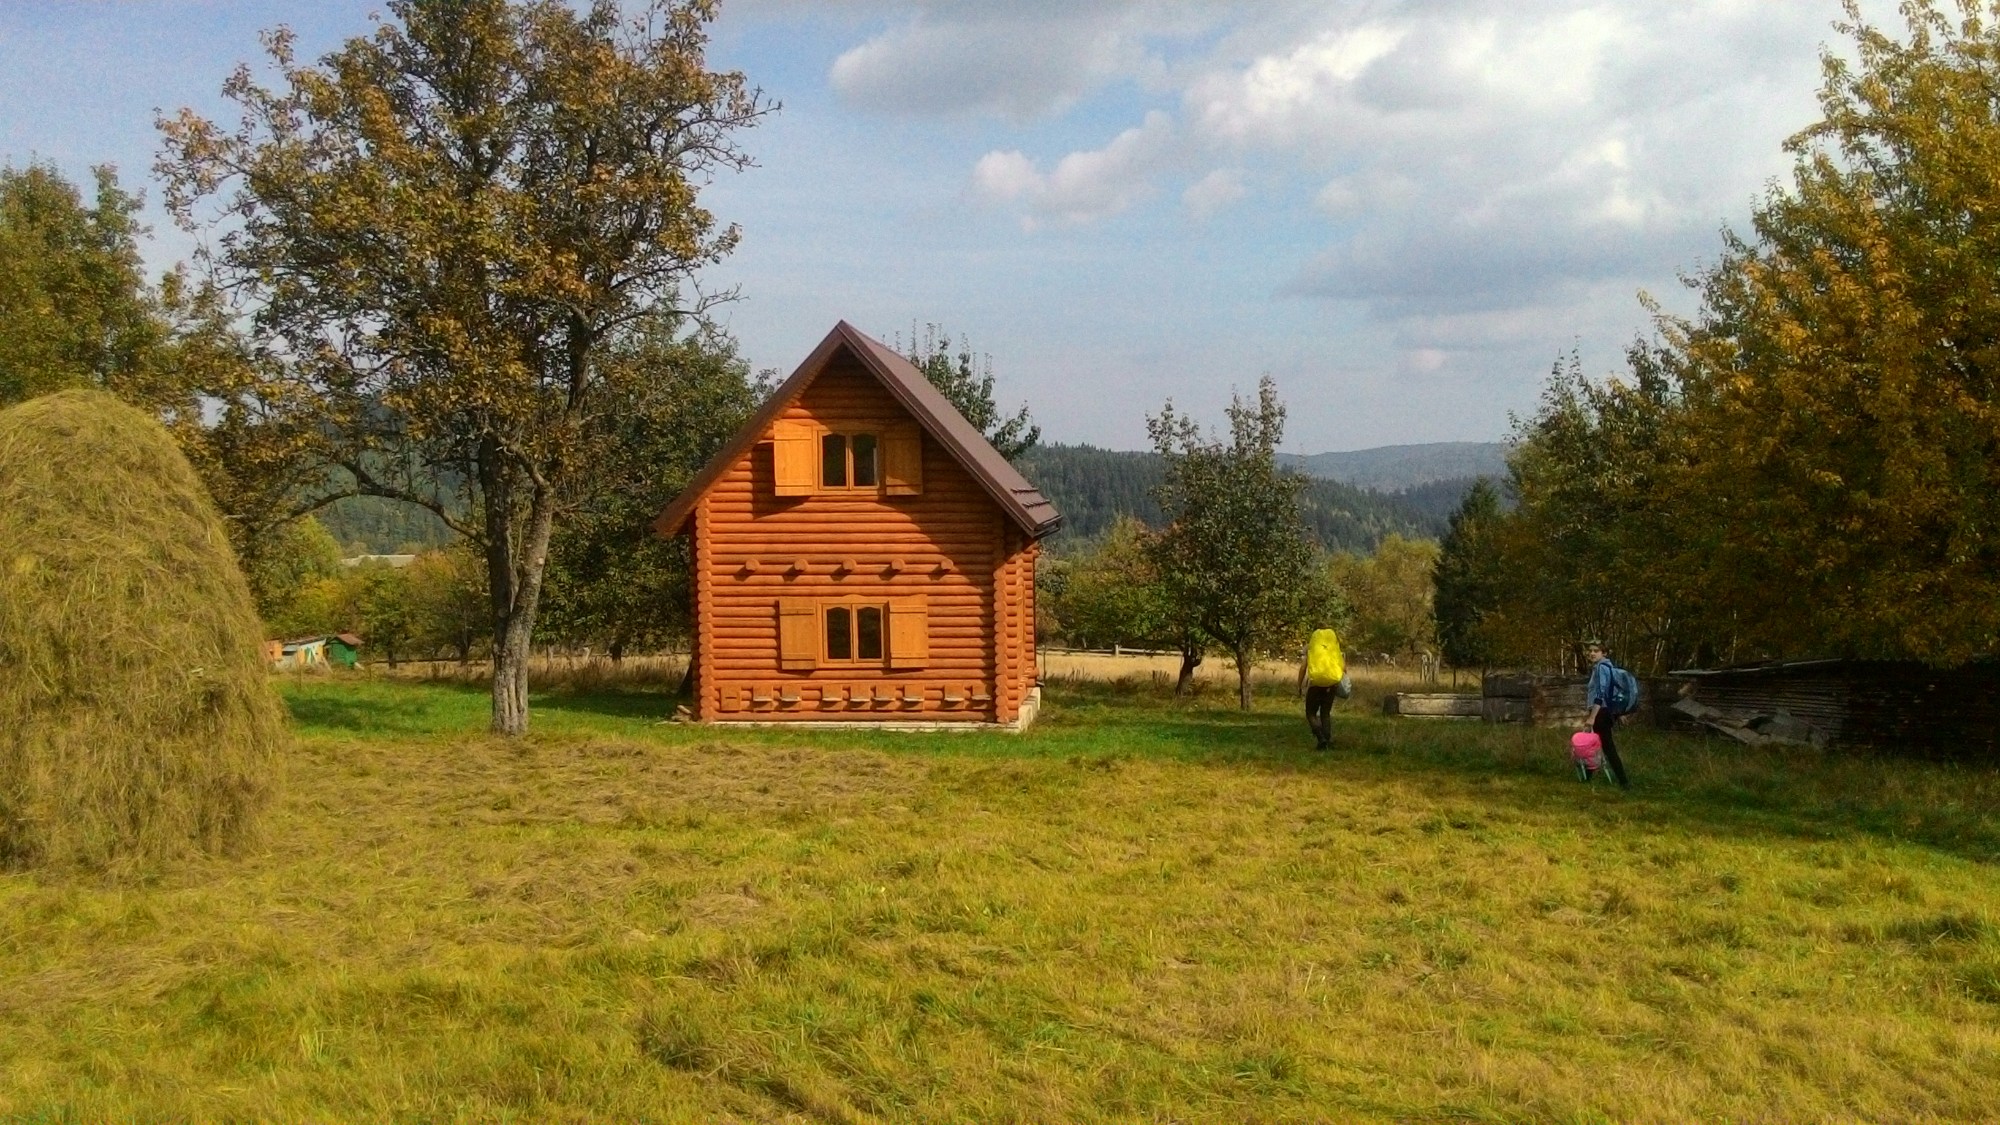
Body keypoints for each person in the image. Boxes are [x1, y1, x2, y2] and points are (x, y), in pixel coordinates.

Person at [1581, 639, 1631, 788]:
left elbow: (1601, 693)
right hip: (1605, 711)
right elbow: (1613, 691)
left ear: (1604, 653)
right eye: (1590, 650)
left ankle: (1624, 782)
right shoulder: (1606, 667)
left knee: (1607, 747)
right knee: (1595, 744)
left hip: (1600, 712)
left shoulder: (1602, 668)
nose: (1592, 653)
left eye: (1596, 651)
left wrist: (1592, 717)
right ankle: (1588, 777)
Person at [1297, 626, 1347, 750]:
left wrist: (1299, 685)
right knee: (1325, 713)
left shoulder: (1311, 648)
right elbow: (1344, 667)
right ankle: (1327, 741)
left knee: (1310, 713)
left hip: (1315, 684)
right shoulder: (1333, 648)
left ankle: (1321, 738)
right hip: (1332, 683)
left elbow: (1303, 668)